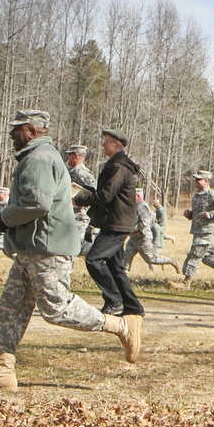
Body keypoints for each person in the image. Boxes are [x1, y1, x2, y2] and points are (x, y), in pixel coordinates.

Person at [0, 110, 141, 392]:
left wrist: (2, 219)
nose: (12, 134)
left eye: (18, 129)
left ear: (33, 132)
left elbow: (37, 203)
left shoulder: (39, 158)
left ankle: (121, 326)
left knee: (57, 308)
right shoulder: (37, 156)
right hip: (31, 247)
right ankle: (3, 373)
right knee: (10, 309)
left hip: (48, 247)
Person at [74, 129, 144, 318]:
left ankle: (114, 301)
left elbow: (105, 195)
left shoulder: (119, 167)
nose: (103, 145)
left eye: (106, 142)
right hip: (116, 222)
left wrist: (78, 199)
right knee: (115, 267)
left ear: (117, 145)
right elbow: (106, 192)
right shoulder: (117, 165)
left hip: (116, 224)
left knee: (93, 260)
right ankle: (133, 307)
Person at [168, 170, 214, 290]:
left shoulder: (213, 195)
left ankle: (186, 283)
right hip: (197, 230)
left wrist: (212, 214)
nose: (196, 182)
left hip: (206, 231)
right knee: (207, 257)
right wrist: (190, 214)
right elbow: (198, 213)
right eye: (196, 179)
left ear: (205, 181)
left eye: (198, 179)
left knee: (194, 255)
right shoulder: (197, 196)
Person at [123, 188, 181, 275]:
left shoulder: (142, 207)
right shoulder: (134, 206)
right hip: (133, 238)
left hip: (142, 238)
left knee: (151, 259)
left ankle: (172, 261)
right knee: (126, 257)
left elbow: (144, 224)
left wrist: (133, 229)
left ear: (138, 196)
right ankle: (123, 276)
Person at [65, 144, 97, 257]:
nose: (67, 158)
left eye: (70, 155)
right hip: (67, 215)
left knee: (74, 247)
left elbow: (93, 196)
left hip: (80, 217)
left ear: (77, 156)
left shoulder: (85, 175)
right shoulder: (68, 172)